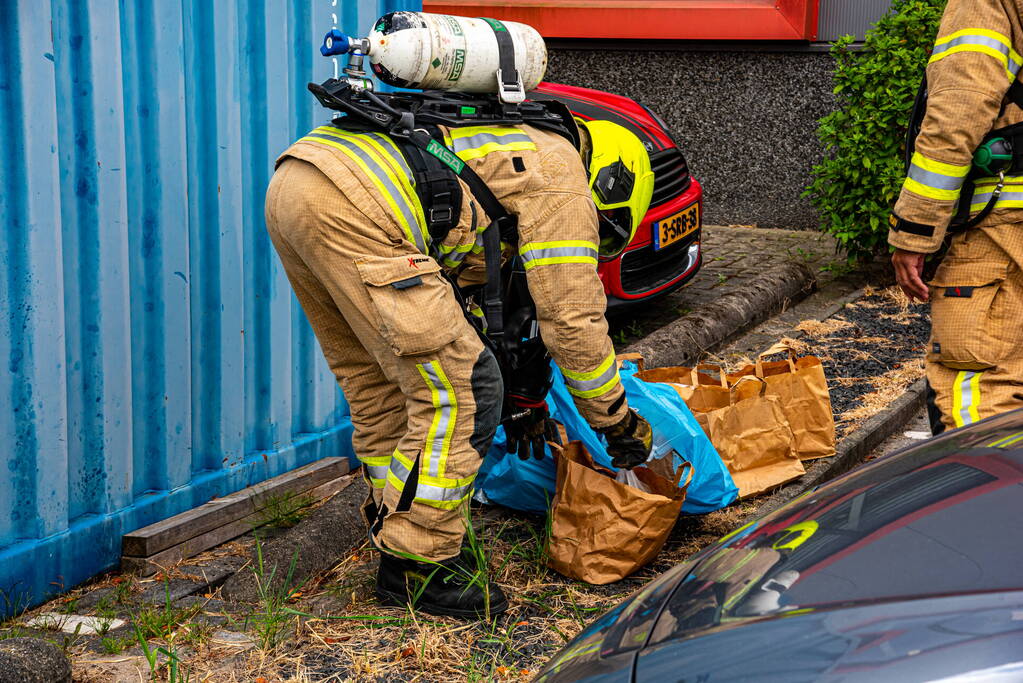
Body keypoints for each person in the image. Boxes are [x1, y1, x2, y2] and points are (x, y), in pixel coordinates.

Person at [264, 101, 655, 617]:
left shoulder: (511, 139)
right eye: (602, 231)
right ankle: (420, 568)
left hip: (299, 181)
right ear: (610, 184)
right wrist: (615, 418)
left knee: (381, 388)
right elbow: (572, 321)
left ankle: (399, 530)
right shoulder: (562, 175)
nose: (595, 240)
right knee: (466, 390)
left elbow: (480, 285)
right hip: (363, 207)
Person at [889, 0, 1023, 432]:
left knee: (979, 396)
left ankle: (989, 500)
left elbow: (958, 114)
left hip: (1005, 234)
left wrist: (913, 231)